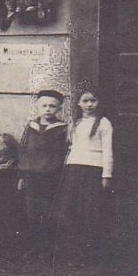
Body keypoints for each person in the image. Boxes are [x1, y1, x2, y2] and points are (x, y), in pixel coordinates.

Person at [55, 87, 115, 265]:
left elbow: (108, 150)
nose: (89, 105)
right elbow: (71, 147)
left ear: (98, 102)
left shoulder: (104, 123)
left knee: (88, 212)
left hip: (93, 169)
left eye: (93, 101)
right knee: (69, 211)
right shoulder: (76, 123)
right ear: (78, 103)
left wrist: (107, 174)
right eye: (85, 101)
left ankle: (88, 254)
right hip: (74, 169)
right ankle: (72, 253)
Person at [17, 89, 68, 258]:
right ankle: (32, 246)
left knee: (48, 212)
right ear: (37, 107)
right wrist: (21, 175)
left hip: (50, 175)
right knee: (31, 212)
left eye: (52, 106)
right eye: (44, 105)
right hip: (31, 175)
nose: (48, 109)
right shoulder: (31, 126)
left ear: (59, 109)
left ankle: (47, 248)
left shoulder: (62, 129)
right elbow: (23, 150)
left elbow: (62, 154)